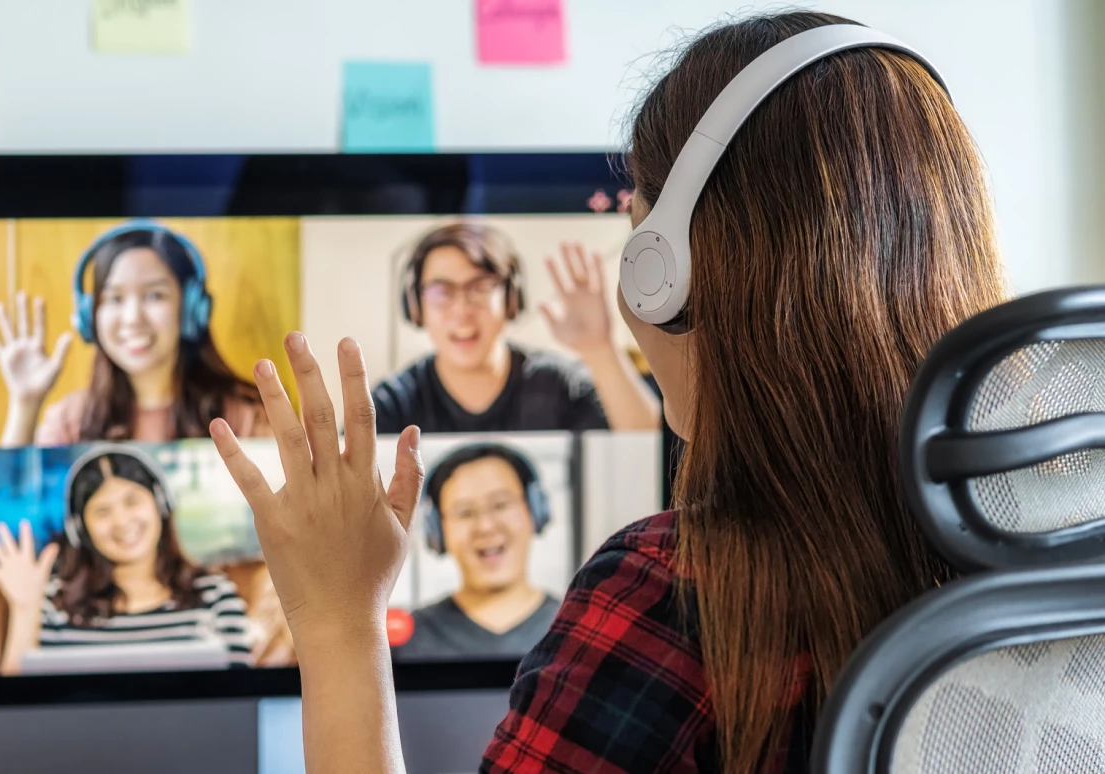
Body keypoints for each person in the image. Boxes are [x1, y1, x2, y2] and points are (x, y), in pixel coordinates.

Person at [208, 11, 1009, 772]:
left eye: (637, 238)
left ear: (666, 277)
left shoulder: (673, 600)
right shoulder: (1041, 541)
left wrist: (341, 619)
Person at [0, 220, 268, 446]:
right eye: (114, 299)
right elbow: (10, 509)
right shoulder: (71, 422)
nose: (132, 319)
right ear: (89, 316)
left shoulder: (246, 418)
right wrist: (26, 404)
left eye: (155, 295)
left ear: (191, 308)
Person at [0, 446, 252, 674]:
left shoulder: (214, 594)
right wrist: (25, 608)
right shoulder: (53, 601)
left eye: (132, 502)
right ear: (81, 529)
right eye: (103, 511)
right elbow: (17, 708)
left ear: (161, 504)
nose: (121, 521)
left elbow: (243, 697)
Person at [371, 222, 661, 434]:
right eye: (441, 291)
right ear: (416, 304)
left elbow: (647, 440)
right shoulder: (394, 402)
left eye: (480, 287)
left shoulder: (557, 385)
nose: (461, 311)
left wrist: (600, 349)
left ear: (511, 297)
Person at [395, 443, 558, 661]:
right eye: (464, 513)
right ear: (438, 531)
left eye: (500, 505)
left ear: (535, 512)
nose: (485, 527)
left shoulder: (583, 625)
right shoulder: (405, 641)